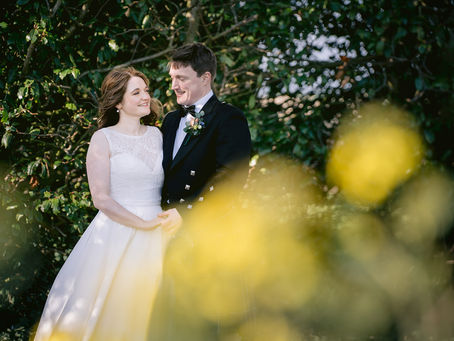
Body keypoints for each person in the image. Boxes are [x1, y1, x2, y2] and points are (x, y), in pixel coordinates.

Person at [33, 67, 181, 341]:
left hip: (162, 229)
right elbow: (100, 197)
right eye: (136, 92)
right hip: (117, 231)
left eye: (146, 90)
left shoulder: (158, 136)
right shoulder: (103, 139)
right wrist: (144, 224)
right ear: (118, 102)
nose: (145, 96)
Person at [161, 42, 251, 211]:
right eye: (172, 78)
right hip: (162, 226)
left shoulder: (229, 118)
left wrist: (184, 216)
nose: (174, 86)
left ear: (205, 78)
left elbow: (231, 181)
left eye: (181, 78)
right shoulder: (171, 121)